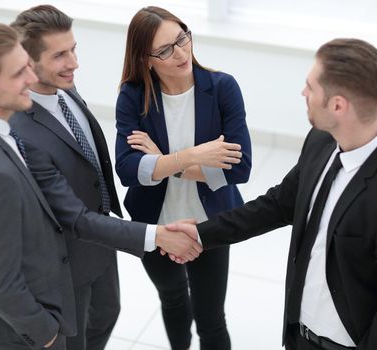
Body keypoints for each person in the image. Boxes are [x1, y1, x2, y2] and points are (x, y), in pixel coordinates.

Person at [0, 21, 199, 350]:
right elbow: (0, 281)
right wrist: (45, 332)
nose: (30, 80)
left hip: (91, 255)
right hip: (38, 307)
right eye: (20, 73)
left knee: (103, 317)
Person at [168, 38, 377, 350]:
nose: (303, 93)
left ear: (338, 105)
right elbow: (278, 204)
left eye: (311, 87)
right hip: (301, 337)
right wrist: (201, 234)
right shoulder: (322, 140)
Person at [8, 5, 202, 350]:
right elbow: (74, 218)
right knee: (77, 338)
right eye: (60, 55)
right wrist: (156, 236)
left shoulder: (64, 88)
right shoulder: (23, 130)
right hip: (66, 259)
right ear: (27, 61)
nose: (74, 63)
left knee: (107, 313)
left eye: (74, 49)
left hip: (99, 245)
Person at [115, 6, 252, 350]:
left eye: (182, 39)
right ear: (146, 60)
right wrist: (195, 157)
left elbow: (239, 168)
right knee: (173, 299)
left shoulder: (222, 88)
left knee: (210, 317)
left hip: (210, 222)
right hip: (155, 224)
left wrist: (163, 162)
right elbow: (128, 169)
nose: (181, 53)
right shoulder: (133, 96)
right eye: (165, 50)